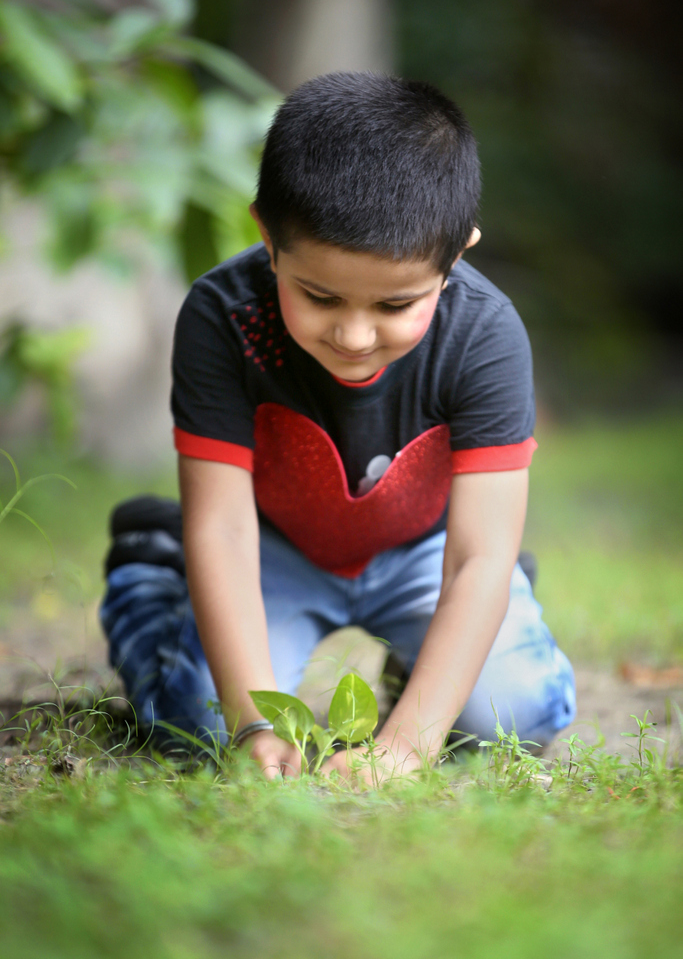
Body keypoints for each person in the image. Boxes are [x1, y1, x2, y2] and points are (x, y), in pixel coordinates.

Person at [101, 71, 576, 782]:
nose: (354, 336)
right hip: (271, 548)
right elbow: (225, 531)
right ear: (268, 236)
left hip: (428, 552)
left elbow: (479, 557)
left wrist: (405, 746)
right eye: (319, 296)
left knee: (516, 716)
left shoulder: (485, 335)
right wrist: (254, 725)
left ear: (456, 254)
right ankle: (150, 573)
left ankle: (431, 654)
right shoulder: (222, 317)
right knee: (198, 726)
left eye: (394, 305)